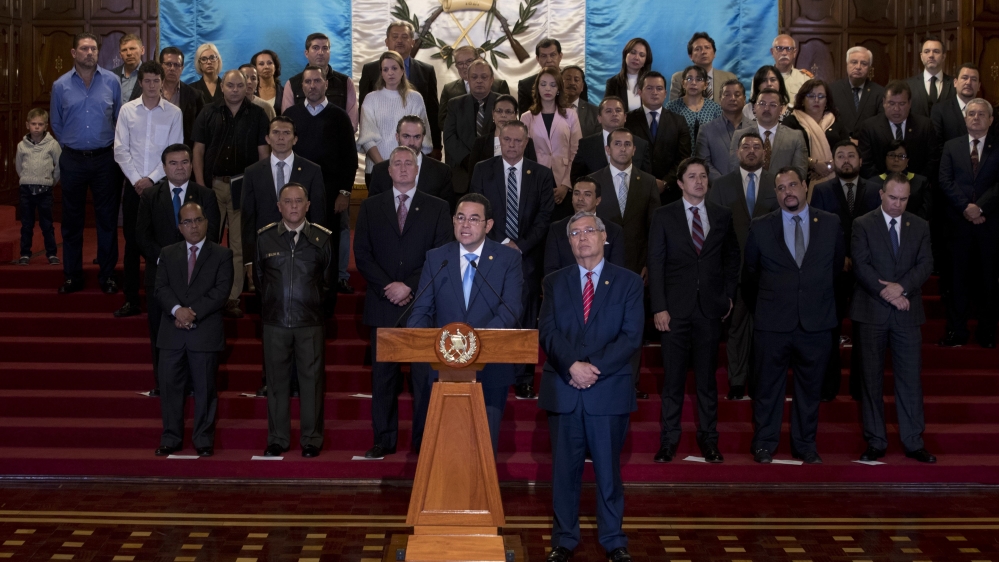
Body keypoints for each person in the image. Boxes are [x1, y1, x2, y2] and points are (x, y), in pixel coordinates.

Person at [538, 211, 643, 562]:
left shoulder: (628, 282)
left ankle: (614, 540)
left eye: (589, 231)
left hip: (607, 389)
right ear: (568, 242)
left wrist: (592, 369)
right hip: (565, 388)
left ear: (603, 237)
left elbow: (630, 337)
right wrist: (572, 365)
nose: (582, 238)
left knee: (608, 472)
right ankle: (564, 539)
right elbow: (549, 332)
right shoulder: (554, 282)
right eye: (575, 233)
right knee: (564, 473)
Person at [353, 146, 453, 458]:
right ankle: (383, 440)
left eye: (410, 162)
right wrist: (388, 286)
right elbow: (363, 255)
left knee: (424, 379)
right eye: (397, 163)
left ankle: (424, 442)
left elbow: (441, 255)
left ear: (418, 168)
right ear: (388, 170)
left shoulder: (437, 207)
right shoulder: (370, 207)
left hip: (422, 305)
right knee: (383, 380)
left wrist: (408, 286)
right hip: (382, 304)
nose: (404, 167)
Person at [407, 193, 524, 453]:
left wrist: (477, 341)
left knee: (483, 445)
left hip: (490, 366)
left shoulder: (508, 259)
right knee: (445, 445)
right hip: (443, 366)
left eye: (473, 219)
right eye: (460, 218)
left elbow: (511, 308)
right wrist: (414, 337)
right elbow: (423, 308)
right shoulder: (438, 258)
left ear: (488, 225)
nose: (465, 224)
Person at [743, 167, 845, 464]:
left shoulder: (830, 223)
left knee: (810, 389)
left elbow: (837, 270)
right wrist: (766, 308)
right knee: (767, 389)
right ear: (775, 193)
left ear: (804, 186)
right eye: (781, 188)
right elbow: (750, 276)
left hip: (816, 322)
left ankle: (804, 445)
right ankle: (764, 443)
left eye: (792, 185)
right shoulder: (761, 226)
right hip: (773, 323)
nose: (787, 191)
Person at [648, 157, 739, 463]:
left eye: (703, 176)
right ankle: (669, 440)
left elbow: (731, 260)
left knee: (707, 382)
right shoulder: (664, 215)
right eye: (692, 176)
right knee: (672, 381)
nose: (699, 181)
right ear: (680, 183)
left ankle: (709, 440)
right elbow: (656, 264)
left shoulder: (722, 215)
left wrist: (727, 297)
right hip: (674, 311)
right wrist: (659, 307)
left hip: (710, 311)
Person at [851, 173, 937, 464]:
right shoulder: (862, 224)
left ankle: (913, 441)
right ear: (881, 195)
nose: (898, 204)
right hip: (872, 313)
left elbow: (926, 263)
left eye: (903, 199)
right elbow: (860, 265)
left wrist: (902, 288)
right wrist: (888, 293)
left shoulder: (920, 226)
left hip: (907, 313)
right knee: (871, 380)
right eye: (893, 197)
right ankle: (875, 440)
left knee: (910, 380)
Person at [470, 121, 555, 401]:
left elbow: (544, 218)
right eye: (506, 139)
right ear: (500, 139)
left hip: (527, 258)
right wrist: (501, 244)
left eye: (518, 141)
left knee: (526, 319)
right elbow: (476, 209)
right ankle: (489, 371)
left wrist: (520, 245)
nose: (511, 145)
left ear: (526, 142)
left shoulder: (541, 174)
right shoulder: (483, 169)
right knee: (490, 312)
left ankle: (524, 379)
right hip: (490, 253)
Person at [257, 184, 334, 458]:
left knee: (311, 383)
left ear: (307, 205)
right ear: (279, 206)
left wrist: (315, 310)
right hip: (275, 321)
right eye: (287, 201)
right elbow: (259, 280)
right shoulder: (264, 239)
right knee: (276, 383)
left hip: (310, 322)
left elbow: (328, 283)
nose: (293, 206)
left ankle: (311, 439)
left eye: (298, 201)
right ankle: (277, 438)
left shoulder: (322, 239)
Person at [136, 144, 220, 397]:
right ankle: (164, 385)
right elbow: (142, 236)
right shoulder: (151, 196)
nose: (180, 167)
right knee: (160, 333)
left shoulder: (205, 195)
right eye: (173, 163)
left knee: (196, 332)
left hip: (198, 278)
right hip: (159, 277)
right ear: (164, 168)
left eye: (184, 162)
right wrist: (168, 261)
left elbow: (212, 235)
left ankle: (196, 386)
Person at [152, 202, 232, 458]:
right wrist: (177, 310)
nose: (193, 226)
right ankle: (171, 438)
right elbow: (160, 288)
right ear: (180, 227)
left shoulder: (222, 255)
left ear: (206, 222)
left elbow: (221, 292)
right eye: (187, 222)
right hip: (172, 333)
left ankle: (203, 439)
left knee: (205, 389)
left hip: (204, 332)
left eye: (198, 220)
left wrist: (190, 312)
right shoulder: (167, 253)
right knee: (170, 390)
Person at [192, 68, 271, 318]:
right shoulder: (208, 112)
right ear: (222, 87)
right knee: (209, 241)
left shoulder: (258, 114)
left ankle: (232, 296)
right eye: (230, 85)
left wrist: (260, 187)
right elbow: (198, 152)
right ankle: (207, 291)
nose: (235, 90)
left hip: (243, 185)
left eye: (239, 85)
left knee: (238, 245)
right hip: (212, 185)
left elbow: (263, 155)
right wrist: (201, 185)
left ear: (247, 86)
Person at [706, 132, 779, 400]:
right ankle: (737, 382)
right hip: (734, 271)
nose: (750, 151)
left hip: (768, 273)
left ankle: (763, 382)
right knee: (736, 329)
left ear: (765, 152)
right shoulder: (722, 185)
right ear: (737, 152)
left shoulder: (777, 183)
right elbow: (715, 231)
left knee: (767, 330)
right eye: (745, 146)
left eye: (756, 147)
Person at [50, 32, 123, 295]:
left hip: (105, 160)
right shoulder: (60, 86)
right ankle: (72, 276)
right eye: (84, 48)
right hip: (72, 159)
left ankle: (107, 275)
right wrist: (75, 143)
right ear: (74, 53)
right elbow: (56, 123)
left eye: (93, 48)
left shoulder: (113, 82)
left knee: (106, 220)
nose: (89, 52)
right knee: (72, 221)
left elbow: (119, 120)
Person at [112, 60, 184, 319]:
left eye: (157, 81)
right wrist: (136, 180)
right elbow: (120, 149)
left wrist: (151, 179)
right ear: (140, 82)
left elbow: (175, 151)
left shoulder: (174, 113)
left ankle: (167, 299)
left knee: (165, 243)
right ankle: (131, 299)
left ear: (162, 82)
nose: (152, 86)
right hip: (133, 187)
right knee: (132, 244)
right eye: (148, 81)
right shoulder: (127, 111)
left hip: (162, 187)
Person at [282, 65, 358, 299]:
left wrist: (344, 192)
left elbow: (350, 158)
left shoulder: (339, 116)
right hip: (298, 195)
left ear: (326, 84)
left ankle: (328, 295)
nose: (312, 86)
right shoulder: (292, 116)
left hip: (331, 193)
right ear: (302, 86)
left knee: (329, 243)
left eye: (317, 81)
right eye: (308, 82)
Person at [810, 140, 878, 401]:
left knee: (865, 333)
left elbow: (876, 231)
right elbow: (819, 232)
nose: (846, 160)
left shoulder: (875, 190)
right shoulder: (822, 190)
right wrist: (841, 257)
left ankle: (862, 388)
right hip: (833, 271)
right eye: (841, 156)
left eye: (851, 156)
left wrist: (859, 258)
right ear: (834, 162)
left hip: (867, 272)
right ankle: (829, 386)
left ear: (860, 161)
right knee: (830, 331)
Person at [939, 98, 999, 348]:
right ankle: (956, 332)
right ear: (965, 119)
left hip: (990, 226)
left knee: (988, 282)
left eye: (981, 114)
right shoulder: (951, 147)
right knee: (956, 282)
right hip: (958, 226)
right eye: (971, 114)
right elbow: (945, 180)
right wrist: (966, 208)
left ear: (991, 119)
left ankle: (986, 334)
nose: (976, 117)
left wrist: (980, 207)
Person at [240, 116, 327, 283]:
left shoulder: (312, 170)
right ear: (267, 138)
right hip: (265, 251)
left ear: (295, 139)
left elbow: (318, 215)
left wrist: (318, 252)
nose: (281, 137)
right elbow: (247, 219)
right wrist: (249, 259)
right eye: (276, 132)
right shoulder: (253, 172)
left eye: (286, 133)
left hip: (304, 250)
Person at [359, 21, 441, 157]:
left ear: (413, 42)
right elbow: (363, 113)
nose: (399, 41)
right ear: (386, 41)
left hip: (416, 155)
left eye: (404, 37)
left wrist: (436, 147)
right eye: (395, 36)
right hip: (378, 154)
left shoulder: (426, 71)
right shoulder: (370, 70)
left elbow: (432, 111)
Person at [594, 128, 660, 279]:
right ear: (608, 149)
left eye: (627, 144)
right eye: (617, 144)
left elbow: (654, 227)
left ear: (634, 150)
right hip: (601, 261)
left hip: (637, 264)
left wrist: (648, 263)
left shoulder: (648, 182)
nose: (623, 148)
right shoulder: (593, 181)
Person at [358, 50, 432, 178]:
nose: (390, 73)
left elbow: (421, 138)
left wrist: (404, 166)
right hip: (377, 169)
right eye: (385, 69)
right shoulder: (371, 99)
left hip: (408, 171)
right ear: (381, 73)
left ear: (402, 70)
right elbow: (367, 138)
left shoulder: (415, 98)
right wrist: (384, 167)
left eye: (394, 68)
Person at [520, 66, 581, 220]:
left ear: (559, 89)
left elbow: (576, 151)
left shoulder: (571, 115)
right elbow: (524, 154)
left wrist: (566, 185)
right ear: (537, 88)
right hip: (536, 180)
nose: (548, 88)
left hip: (564, 179)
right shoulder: (527, 117)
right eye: (543, 84)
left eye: (553, 85)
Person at [624, 71, 692, 203]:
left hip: (670, 192)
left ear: (665, 94)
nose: (654, 92)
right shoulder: (628, 120)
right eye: (649, 88)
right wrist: (643, 181)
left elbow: (684, 157)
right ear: (640, 92)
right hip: (635, 189)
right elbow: (623, 153)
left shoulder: (678, 121)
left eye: (659, 88)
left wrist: (666, 182)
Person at [856, 80, 940, 181]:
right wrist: (885, 185)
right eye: (891, 103)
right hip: (879, 189)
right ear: (883, 102)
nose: (896, 109)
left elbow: (933, 160)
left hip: (917, 189)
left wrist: (916, 184)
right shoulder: (869, 127)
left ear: (909, 103)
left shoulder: (925, 125)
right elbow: (866, 163)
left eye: (901, 103)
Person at [368, 115, 454, 207]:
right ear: (397, 136)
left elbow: (448, 212)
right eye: (406, 136)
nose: (411, 143)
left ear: (423, 138)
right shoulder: (380, 171)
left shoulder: (441, 172)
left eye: (417, 137)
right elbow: (372, 210)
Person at [544, 179, 625, 276]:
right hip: (566, 287)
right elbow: (551, 270)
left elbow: (617, 271)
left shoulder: (614, 231)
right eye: (576, 193)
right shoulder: (557, 229)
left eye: (587, 194)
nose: (580, 199)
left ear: (597, 200)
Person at [443, 59, 500, 195]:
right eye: (474, 77)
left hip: (494, 171)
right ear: (468, 79)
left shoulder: (502, 103)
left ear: (491, 80)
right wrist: (468, 159)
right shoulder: (455, 104)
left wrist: (485, 160)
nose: (479, 81)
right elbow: (449, 136)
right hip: (462, 173)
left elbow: (508, 134)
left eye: (484, 77)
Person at [282, 32, 358, 131]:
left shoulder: (345, 82)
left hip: (336, 143)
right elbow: (287, 123)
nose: (321, 52)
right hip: (301, 143)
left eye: (325, 48)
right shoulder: (292, 84)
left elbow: (352, 123)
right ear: (306, 53)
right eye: (315, 48)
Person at [782, 79, 850, 189]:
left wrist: (829, 167)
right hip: (802, 178)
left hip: (835, 175)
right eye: (811, 96)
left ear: (827, 101)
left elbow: (847, 148)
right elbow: (786, 151)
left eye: (821, 96)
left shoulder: (836, 121)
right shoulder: (791, 122)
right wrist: (813, 164)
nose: (816, 100)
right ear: (802, 99)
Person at [15, 108, 61, 266]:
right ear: (27, 125)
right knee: (26, 224)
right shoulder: (22, 145)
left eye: (40, 124)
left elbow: (59, 165)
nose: (36, 127)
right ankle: (25, 254)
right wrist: (26, 178)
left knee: (47, 224)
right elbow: (19, 166)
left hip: (45, 189)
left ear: (45, 126)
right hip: (26, 190)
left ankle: (52, 253)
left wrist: (51, 181)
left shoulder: (52, 145)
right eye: (33, 124)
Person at [730, 88, 808, 177]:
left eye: (773, 105)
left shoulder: (795, 137)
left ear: (781, 110)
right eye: (762, 104)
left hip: (782, 189)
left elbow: (800, 174)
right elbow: (734, 170)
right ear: (755, 108)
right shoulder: (740, 135)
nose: (767, 108)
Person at [571, 96, 650, 183]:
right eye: (608, 111)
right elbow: (576, 178)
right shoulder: (586, 145)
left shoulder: (641, 144)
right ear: (599, 118)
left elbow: (646, 179)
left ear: (625, 117)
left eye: (618, 110)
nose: (614, 114)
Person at [467, 95, 540, 182]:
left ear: (515, 115)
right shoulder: (480, 143)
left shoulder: (526, 142)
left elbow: (533, 173)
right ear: (493, 114)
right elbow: (473, 176)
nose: (503, 115)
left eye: (508, 112)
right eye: (499, 111)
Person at [438, 45, 511, 132]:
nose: (465, 66)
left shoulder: (498, 85)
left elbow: (508, 117)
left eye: (469, 61)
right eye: (460, 63)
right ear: (456, 66)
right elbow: (442, 123)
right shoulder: (449, 89)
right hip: (462, 142)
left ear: (479, 59)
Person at [865, 140, 932, 220]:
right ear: (885, 158)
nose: (896, 159)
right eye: (892, 155)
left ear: (907, 160)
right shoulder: (873, 183)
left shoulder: (921, 182)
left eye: (901, 156)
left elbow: (925, 212)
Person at [696, 79, 747, 180]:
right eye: (727, 94)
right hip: (718, 190)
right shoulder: (706, 130)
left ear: (745, 99)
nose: (732, 98)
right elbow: (704, 163)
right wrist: (723, 185)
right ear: (720, 99)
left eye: (737, 95)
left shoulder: (755, 128)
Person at [828, 47, 886, 136]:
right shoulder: (832, 90)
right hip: (840, 145)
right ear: (847, 64)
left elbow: (881, 124)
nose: (858, 67)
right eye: (854, 62)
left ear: (869, 68)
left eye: (864, 63)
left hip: (868, 146)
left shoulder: (880, 92)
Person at [518, 39, 587, 113]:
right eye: (544, 56)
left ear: (560, 56)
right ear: (538, 59)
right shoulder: (526, 85)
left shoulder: (575, 82)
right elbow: (523, 122)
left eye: (553, 55)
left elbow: (585, 113)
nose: (549, 60)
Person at [668, 32, 738, 104]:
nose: (703, 52)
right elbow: (673, 109)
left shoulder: (729, 78)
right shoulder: (679, 78)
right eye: (698, 49)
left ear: (714, 54)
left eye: (707, 48)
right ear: (690, 56)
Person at [159, 47, 205, 147]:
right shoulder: (151, 92)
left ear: (182, 68)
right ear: (160, 66)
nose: (172, 68)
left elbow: (201, 131)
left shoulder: (195, 95)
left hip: (183, 151)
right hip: (154, 150)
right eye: (168, 64)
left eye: (176, 65)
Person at [664, 65, 722, 145]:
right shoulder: (672, 107)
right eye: (689, 79)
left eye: (699, 79)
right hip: (680, 155)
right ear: (683, 83)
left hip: (708, 155)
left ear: (705, 85)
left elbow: (719, 137)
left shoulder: (715, 108)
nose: (693, 83)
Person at [932, 62, 981, 143]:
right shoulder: (940, 110)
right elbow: (936, 145)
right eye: (964, 78)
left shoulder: (989, 111)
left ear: (979, 86)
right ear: (955, 82)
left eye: (974, 79)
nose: (968, 82)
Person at [907, 36, 954, 119]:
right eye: (927, 51)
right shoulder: (908, 85)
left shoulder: (954, 84)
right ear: (921, 56)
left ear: (943, 56)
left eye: (936, 51)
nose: (931, 55)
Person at [604, 38, 653, 112]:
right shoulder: (613, 83)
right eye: (633, 52)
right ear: (625, 55)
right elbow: (608, 110)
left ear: (646, 61)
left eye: (641, 55)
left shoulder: (651, 83)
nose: (636, 58)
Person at [770, 34, 813, 105]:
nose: (784, 53)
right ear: (772, 52)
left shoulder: (805, 79)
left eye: (788, 49)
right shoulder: (762, 78)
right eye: (779, 48)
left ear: (794, 53)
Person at [562, 66, 600, 137]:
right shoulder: (550, 108)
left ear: (582, 86)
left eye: (576, 80)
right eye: (568, 79)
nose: (572, 83)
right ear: (559, 83)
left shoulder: (595, 112)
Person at [111, 34, 144, 104]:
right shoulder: (112, 75)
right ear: (120, 55)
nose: (129, 53)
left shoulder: (150, 74)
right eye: (124, 50)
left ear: (142, 50)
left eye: (132, 48)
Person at [252, 49, 284, 115]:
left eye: (270, 63)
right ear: (255, 68)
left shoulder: (284, 92)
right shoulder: (250, 92)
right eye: (261, 64)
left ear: (275, 66)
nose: (266, 67)